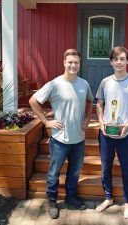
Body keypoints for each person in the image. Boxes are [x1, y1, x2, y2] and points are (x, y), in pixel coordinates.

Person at [29, 49, 93, 219]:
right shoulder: (54, 84)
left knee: (74, 172)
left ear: (80, 64)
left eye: (76, 62)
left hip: (79, 138)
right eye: (70, 62)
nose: (73, 65)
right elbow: (33, 101)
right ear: (64, 63)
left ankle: (71, 197)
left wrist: (87, 118)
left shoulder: (84, 84)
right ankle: (52, 200)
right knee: (54, 173)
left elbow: (89, 100)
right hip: (59, 139)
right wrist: (46, 121)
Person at [95, 46, 128, 219]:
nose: (119, 62)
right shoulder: (105, 82)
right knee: (105, 168)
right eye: (116, 59)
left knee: (126, 169)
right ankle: (108, 198)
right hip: (107, 134)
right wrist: (101, 121)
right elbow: (99, 104)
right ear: (111, 62)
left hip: (125, 135)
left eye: (122, 59)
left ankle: (127, 203)